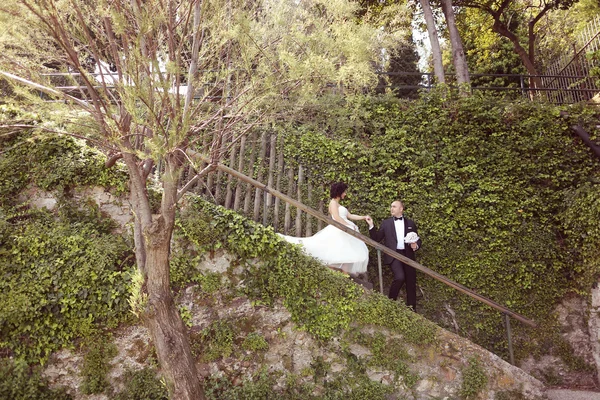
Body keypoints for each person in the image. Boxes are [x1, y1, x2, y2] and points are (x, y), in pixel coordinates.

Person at [279, 182, 369, 276]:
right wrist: (349, 226)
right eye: (344, 192)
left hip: (344, 229)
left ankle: (343, 274)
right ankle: (337, 273)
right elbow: (337, 217)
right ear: (339, 192)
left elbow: (350, 215)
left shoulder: (338, 204)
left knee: (345, 251)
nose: (345, 194)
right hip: (339, 229)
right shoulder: (333, 203)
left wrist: (363, 217)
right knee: (333, 250)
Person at [366, 200, 422, 311]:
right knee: (400, 277)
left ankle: (412, 310)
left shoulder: (410, 223)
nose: (392, 208)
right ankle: (390, 303)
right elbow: (377, 239)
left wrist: (415, 245)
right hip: (394, 254)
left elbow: (418, 240)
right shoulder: (386, 223)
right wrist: (371, 225)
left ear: (401, 209)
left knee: (411, 282)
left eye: (394, 207)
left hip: (408, 255)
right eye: (391, 206)